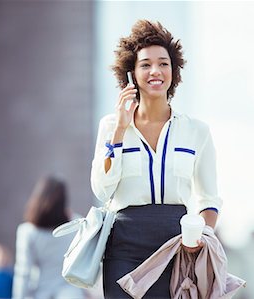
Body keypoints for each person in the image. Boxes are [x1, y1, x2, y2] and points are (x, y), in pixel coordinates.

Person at [91, 20, 222, 298]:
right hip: (123, 247)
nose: (155, 71)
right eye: (146, 64)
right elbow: (102, 190)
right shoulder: (110, 126)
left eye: (163, 63)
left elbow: (209, 200)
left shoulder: (197, 131)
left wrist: (200, 236)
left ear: (173, 72)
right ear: (131, 74)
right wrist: (119, 130)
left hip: (176, 246)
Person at [12, 176, 86, 299]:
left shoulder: (27, 231)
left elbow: (23, 272)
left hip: (40, 291)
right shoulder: (76, 225)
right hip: (70, 291)